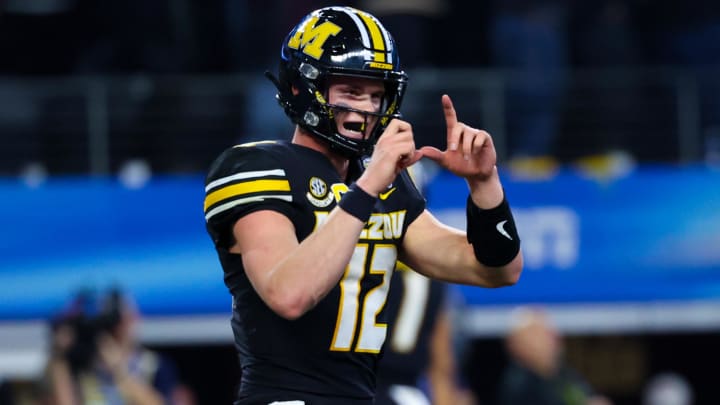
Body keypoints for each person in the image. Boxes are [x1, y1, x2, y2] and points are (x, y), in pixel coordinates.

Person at [203, 6, 523, 404]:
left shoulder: (383, 186)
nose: (367, 109)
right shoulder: (254, 167)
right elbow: (289, 294)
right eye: (351, 92)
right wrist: (369, 184)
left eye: (376, 95)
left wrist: (483, 184)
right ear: (304, 87)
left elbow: (497, 270)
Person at [42, 289, 190, 405]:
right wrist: (62, 355)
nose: (116, 328)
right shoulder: (81, 367)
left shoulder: (153, 365)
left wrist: (119, 372)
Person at [374, 261, 475, 405]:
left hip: (360, 381)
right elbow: (441, 362)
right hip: (405, 391)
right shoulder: (433, 266)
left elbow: (441, 360)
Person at [496, 307, 612, 405]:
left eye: (549, 332)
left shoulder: (562, 373)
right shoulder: (519, 385)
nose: (551, 338)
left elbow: (585, 397)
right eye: (537, 335)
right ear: (515, 345)